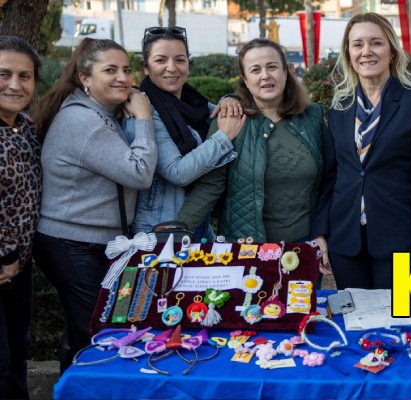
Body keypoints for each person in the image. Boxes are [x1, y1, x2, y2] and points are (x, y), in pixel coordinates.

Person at [32, 38, 157, 372]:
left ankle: (70, 389)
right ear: (85, 78)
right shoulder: (83, 122)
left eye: (127, 70)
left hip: (88, 241)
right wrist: (144, 118)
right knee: (99, 333)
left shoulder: (99, 112)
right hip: (71, 243)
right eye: (110, 70)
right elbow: (139, 173)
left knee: (82, 331)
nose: (123, 78)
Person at [312, 13, 411, 290]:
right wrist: (320, 232)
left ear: (391, 52)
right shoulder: (340, 107)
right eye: (357, 44)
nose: (366, 51)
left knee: (398, 316)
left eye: (376, 43)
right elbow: (331, 177)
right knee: (354, 315)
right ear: (349, 54)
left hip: (399, 241)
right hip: (345, 241)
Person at [176, 38, 324, 249]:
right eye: (255, 70)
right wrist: (178, 228)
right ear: (245, 80)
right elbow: (210, 185)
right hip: (246, 247)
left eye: (272, 67)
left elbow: (330, 181)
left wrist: (324, 233)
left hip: (305, 244)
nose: (265, 75)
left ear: (286, 71)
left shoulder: (313, 117)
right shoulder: (230, 121)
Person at [127, 26, 245, 239]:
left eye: (180, 60)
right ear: (146, 66)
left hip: (199, 222)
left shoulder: (192, 101)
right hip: (160, 228)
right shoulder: (142, 109)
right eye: (161, 60)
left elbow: (220, 112)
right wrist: (223, 137)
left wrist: (230, 99)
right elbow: (177, 172)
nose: (171, 68)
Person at [0, 36, 42, 399]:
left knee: (17, 354)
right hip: (5, 261)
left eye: (24, 76)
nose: (15, 85)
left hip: (19, 268)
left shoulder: (26, 126)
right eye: (4, 74)